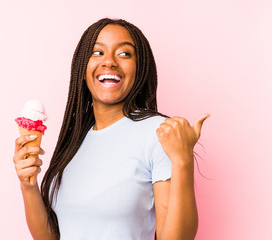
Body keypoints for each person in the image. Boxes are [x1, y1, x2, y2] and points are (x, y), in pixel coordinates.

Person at [13, 18, 209, 240]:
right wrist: (28, 186)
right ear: (82, 66)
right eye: (97, 52)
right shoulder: (75, 139)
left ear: (140, 67)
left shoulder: (160, 133)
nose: (109, 62)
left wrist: (183, 160)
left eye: (125, 54)